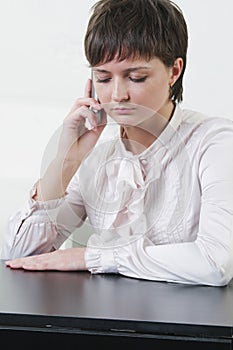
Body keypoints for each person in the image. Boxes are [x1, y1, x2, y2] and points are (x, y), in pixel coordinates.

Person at [2, 0, 233, 287]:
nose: (117, 94)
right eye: (103, 77)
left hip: (193, 327)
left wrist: (91, 258)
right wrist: (67, 159)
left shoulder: (216, 143)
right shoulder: (98, 151)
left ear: (174, 72)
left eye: (136, 77)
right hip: (105, 325)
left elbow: (214, 263)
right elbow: (19, 255)